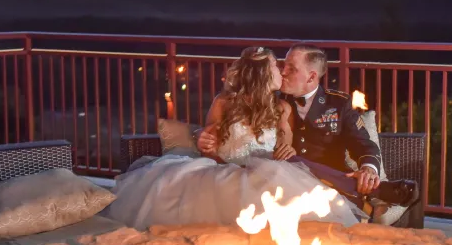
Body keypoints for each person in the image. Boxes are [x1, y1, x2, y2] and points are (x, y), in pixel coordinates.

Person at [103, 46, 363, 230]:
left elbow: (286, 141)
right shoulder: (224, 103)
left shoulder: (282, 108)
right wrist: (203, 140)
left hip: (264, 174)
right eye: (276, 66)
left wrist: (285, 147)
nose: (282, 72)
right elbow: (209, 140)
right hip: (222, 172)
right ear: (262, 74)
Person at [197, 44, 418, 220]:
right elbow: (217, 133)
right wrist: (203, 138)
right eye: (281, 66)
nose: (283, 72)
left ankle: (369, 193)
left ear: (312, 77)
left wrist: (369, 168)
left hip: (325, 181)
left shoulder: (338, 104)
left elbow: (363, 143)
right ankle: (374, 196)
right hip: (276, 179)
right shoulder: (274, 101)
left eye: (291, 69)